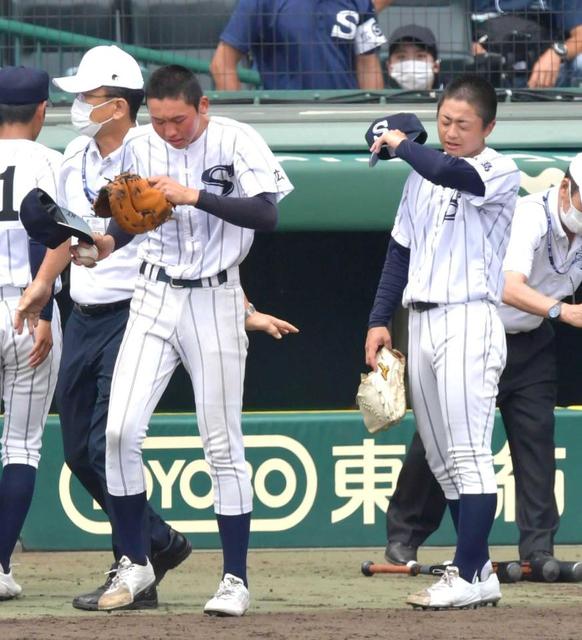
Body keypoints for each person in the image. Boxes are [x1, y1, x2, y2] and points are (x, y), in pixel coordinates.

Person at [63, 64, 293, 615]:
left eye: (179, 119)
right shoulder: (140, 143)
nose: (169, 130)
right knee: (117, 434)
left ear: (204, 106)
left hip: (216, 297)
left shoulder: (237, 138)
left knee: (221, 443)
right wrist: (105, 246)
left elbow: (267, 213)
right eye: (160, 119)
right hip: (154, 292)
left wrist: (192, 195)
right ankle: (137, 564)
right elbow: (126, 214)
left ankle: (234, 579)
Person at [383, 153, 582, 574]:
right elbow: (509, 287)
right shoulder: (530, 215)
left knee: (537, 438)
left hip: (532, 343)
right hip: (481, 331)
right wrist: (561, 312)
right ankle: (405, 535)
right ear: (566, 188)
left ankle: (538, 549)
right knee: (440, 438)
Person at [365, 74, 521, 609]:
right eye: (445, 121)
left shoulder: (498, 168)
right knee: (440, 456)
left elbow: (446, 168)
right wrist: (379, 318)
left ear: (488, 126)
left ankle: (468, 570)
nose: (451, 132)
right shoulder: (417, 178)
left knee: (468, 454)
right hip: (422, 321)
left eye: (463, 124)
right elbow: (398, 252)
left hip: (469, 320)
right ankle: (478, 573)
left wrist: (400, 143)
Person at [0, 66, 63, 600]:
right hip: (27, 309)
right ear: (41, 110)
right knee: (20, 444)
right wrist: (45, 312)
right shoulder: (50, 161)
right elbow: (59, 239)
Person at [210, 0, 386, 90]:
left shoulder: (360, 1)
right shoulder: (260, 1)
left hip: (344, 113)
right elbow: (222, 64)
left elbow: (368, 63)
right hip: (287, 116)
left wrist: (373, 122)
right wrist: (239, 130)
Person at [471, 0, 582, 88]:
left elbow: (580, 36)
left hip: (544, 66)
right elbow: (456, 34)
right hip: (490, 67)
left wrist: (556, 53)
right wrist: (468, 48)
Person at [384, 24, 440, 91]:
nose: (411, 64)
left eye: (420, 56)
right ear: (389, 67)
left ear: (436, 66)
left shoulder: (450, 99)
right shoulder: (378, 100)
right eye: (401, 57)